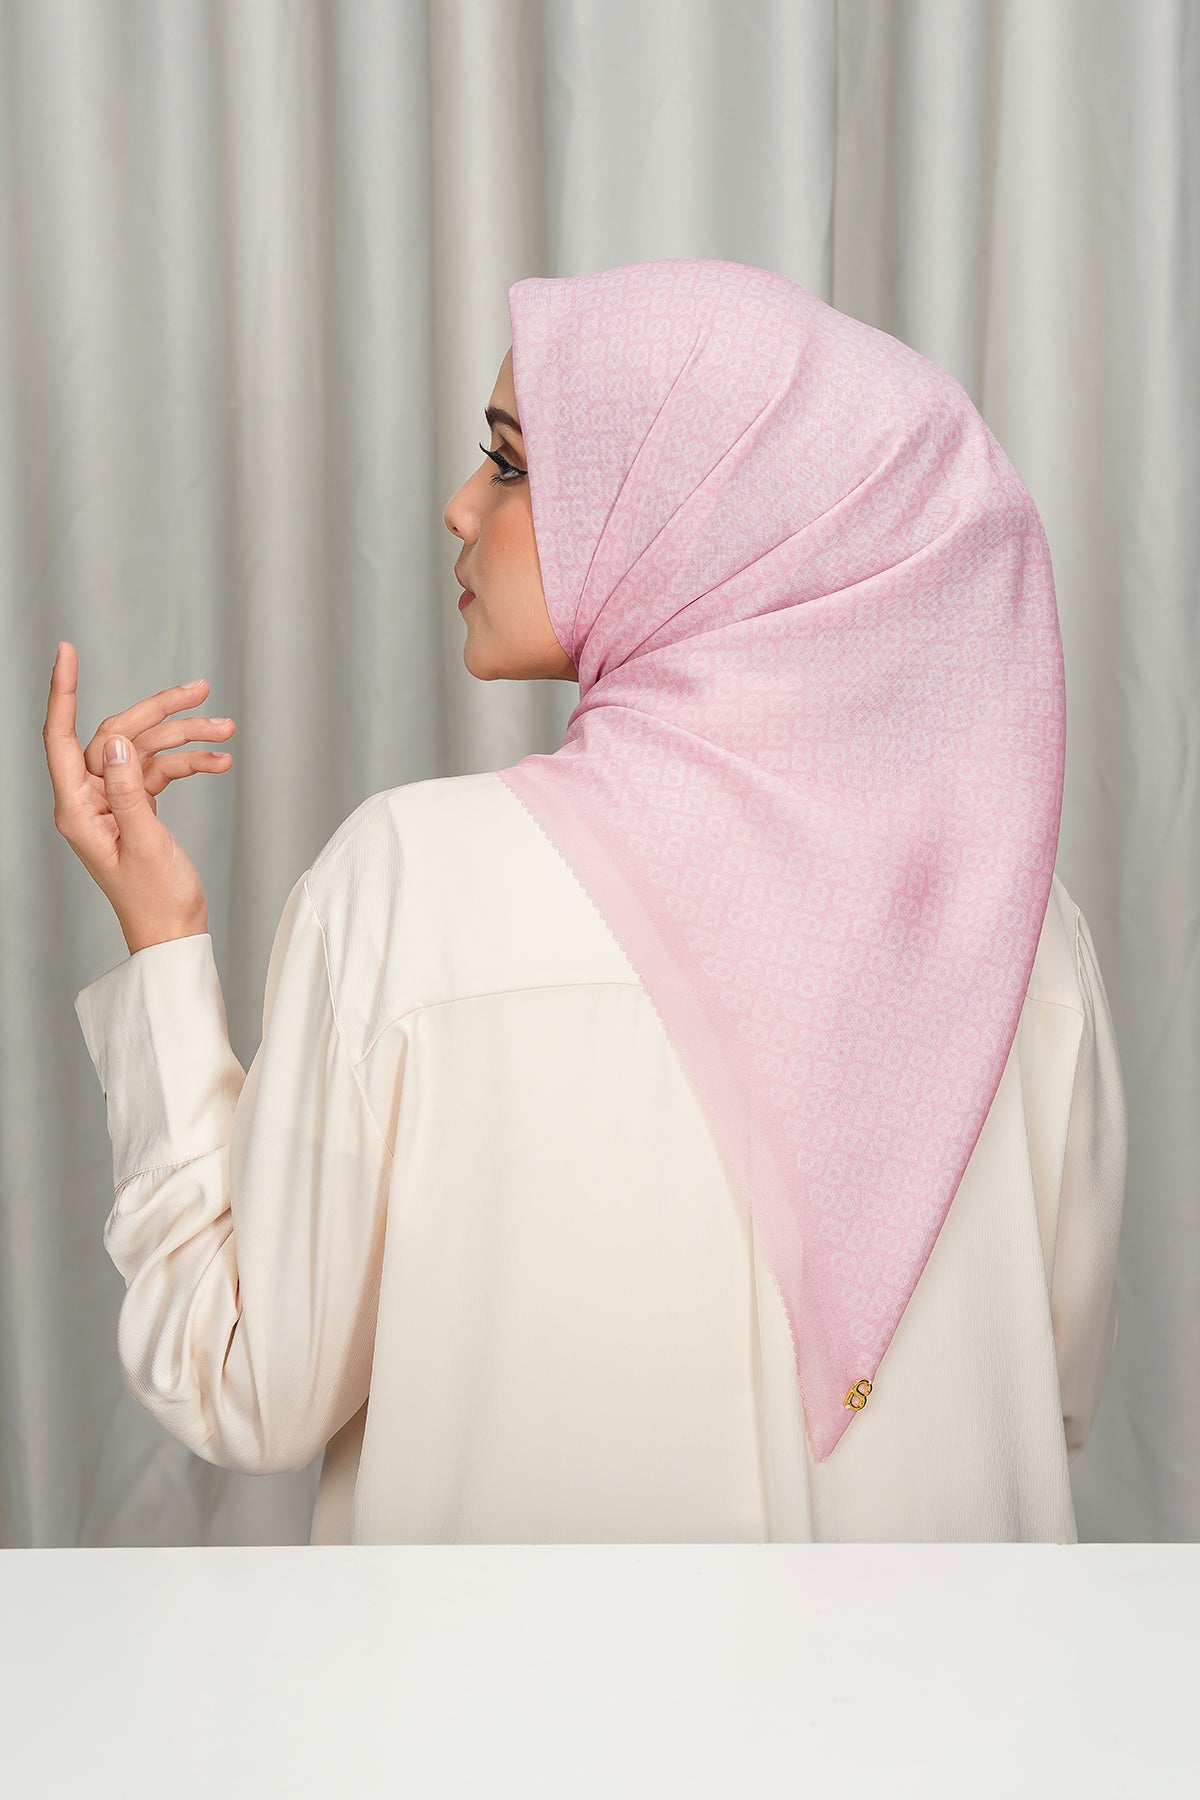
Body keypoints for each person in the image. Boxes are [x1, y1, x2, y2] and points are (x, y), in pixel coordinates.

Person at [58, 259, 1127, 1544]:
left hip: (510, 1683)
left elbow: (247, 1385)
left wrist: (163, 946)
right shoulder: (1017, 929)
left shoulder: (412, 884)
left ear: (698, 516)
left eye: (510, 464)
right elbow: (1044, 1400)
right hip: (941, 1679)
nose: (459, 506)